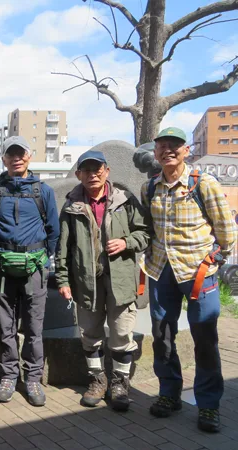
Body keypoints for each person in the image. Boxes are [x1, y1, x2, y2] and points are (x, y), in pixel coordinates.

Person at [141, 127, 236, 432]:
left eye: (174, 146)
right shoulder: (150, 188)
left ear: (186, 151)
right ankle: (169, 394)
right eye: (162, 146)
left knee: (204, 339)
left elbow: (227, 232)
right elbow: (149, 229)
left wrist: (213, 261)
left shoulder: (202, 183)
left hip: (198, 274)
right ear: (155, 153)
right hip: (161, 271)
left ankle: (208, 404)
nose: (167, 150)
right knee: (163, 336)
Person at [56, 150, 150, 411]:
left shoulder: (125, 200)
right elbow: (63, 247)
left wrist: (126, 242)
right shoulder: (71, 205)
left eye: (98, 169)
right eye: (86, 170)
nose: (93, 174)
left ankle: (120, 383)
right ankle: (97, 380)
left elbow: (145, 233)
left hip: (121, 280)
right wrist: (63, 280)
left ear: (107, 171)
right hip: (87, 283)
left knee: (121, 333)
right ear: (78, 175)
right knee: (90, 334)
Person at [0, 136, 59, 407]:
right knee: (6, 329)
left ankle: (33, 379)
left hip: (35, 269)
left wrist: (43, 260)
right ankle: (8, 376)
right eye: (10, 154)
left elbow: (54, 230)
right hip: (3, 270)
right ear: (4, 159)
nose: (16, 158)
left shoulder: (43, 191)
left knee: (34, 329)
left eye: (21, 154)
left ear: (29, 157)